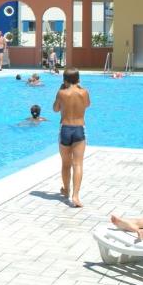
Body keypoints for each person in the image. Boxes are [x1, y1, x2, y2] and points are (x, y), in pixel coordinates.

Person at [53, 68, 90, 208]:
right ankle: (75, 195)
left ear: (64, 80)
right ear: (78, 79)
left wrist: (60, 92)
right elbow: (87, 105)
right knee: (78, 164)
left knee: (66, 164)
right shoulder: (84, 92)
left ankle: (66, 190)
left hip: (65, 129)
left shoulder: (62, 93)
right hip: (79, 129)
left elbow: (55, 109)